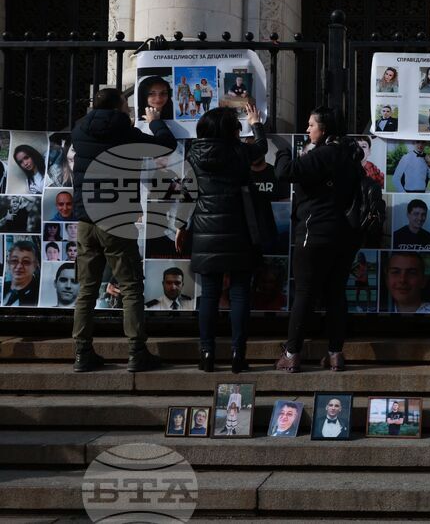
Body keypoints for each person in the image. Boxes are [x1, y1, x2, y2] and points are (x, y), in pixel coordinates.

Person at [71, 87, 177, 372]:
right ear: (119, 107)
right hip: (115, 218)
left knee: (87, 289)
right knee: (131, 287)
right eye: (127, 106)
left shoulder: (80, 129)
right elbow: (166, 145)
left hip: (86, 221)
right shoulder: (124, 131)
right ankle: (136, 352)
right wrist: (154, 120)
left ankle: (82, 353)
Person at [275, 106, 364, 373]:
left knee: (304, 293)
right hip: (344, 235)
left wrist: (280, 149)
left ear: (324, 129)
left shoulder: (325, 154)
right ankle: (335, 354)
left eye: (311, 125)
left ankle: (292, 354)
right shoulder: (350, 156)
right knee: (336, 294)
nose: (307, 129)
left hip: (314, 233)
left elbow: (284, 171)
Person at [180, 104, 266, 373]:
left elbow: (188, 194)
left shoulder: (193, 153)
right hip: (239, 229)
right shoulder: (239, 151)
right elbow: (260, 148)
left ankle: (207, 354)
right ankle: (238, 355)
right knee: (240, 293)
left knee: (209, 295)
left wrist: (183, 226)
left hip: (206, 233)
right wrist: (256, 123)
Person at [2, 240, 40, 306]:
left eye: (26, 261)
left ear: (35, 265)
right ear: (8, 264)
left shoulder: (38, 294)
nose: (19, 266)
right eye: (14, 260)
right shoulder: (3, 287)